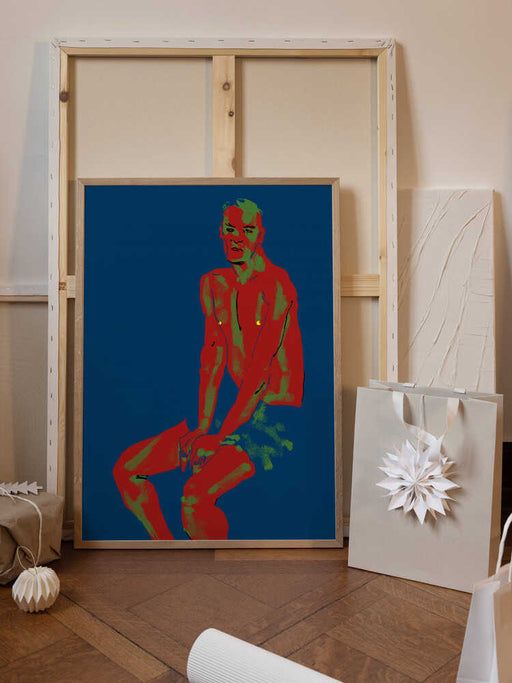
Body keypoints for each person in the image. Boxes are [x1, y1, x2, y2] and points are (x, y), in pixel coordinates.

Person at [113, 198, 304, 540]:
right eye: (230, 229)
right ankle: (169, 553)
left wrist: (218, 436)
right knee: (127, 469)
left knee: (194, 497)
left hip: (275, 417)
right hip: (234, 408)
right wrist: (203, 426)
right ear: (221, 232)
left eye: (247, 230)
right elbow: (212, 360)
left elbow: (259, 374)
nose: (237, 238)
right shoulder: (214, 283)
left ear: (260, 234)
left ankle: (209, 567)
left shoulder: (277, 284)